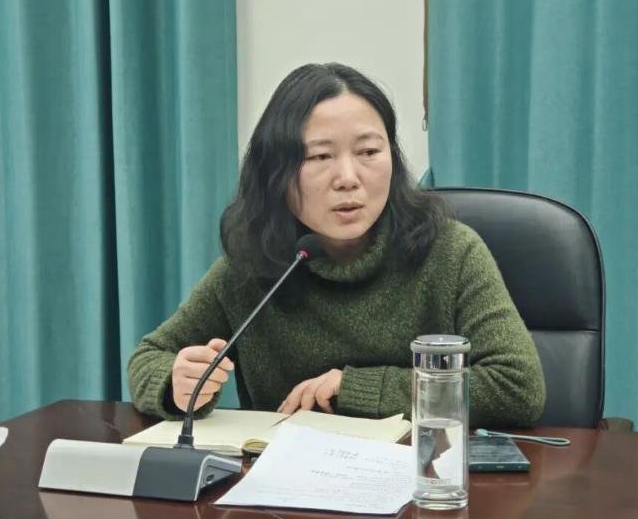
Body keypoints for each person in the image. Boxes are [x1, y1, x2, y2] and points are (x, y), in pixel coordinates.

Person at [128, 62, 545, 427]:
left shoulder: (450, 251)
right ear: (275, 173)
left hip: (423, 477)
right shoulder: (255, 267)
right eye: (320, 157)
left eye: (368, 151)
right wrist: (176, 382)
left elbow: (517, 386)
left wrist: (355, 388)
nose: (348, 178)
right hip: (287, 485)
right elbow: (149, 357)